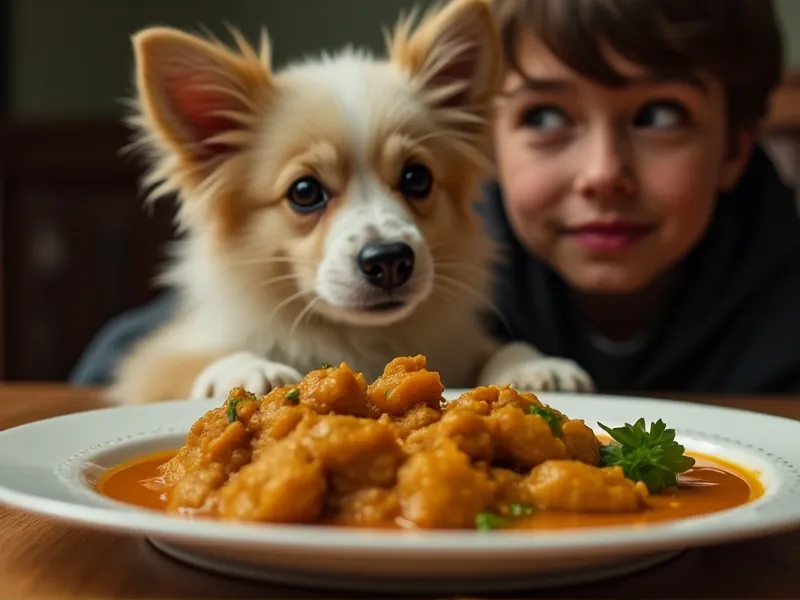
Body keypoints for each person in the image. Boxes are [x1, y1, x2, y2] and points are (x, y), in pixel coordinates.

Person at [479, 0, 800, 393]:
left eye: (658, 116)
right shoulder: (437, 296)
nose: (603, 173)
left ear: (733, 149)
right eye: (544, 117)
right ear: (487, 145)